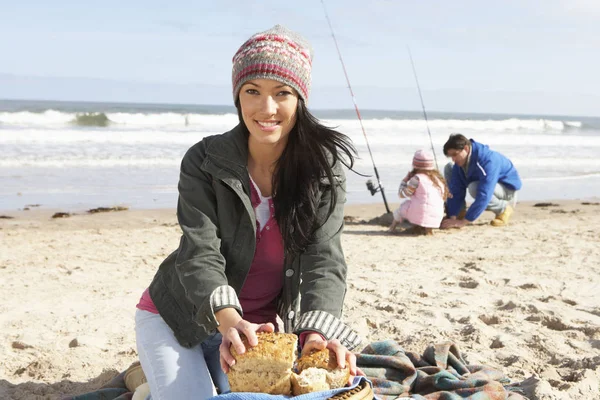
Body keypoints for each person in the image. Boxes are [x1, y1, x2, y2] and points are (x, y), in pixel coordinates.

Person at [134, 25, 362, 400]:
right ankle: (149, 378)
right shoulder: (204, 160)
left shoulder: (323, 171)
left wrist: (317, 337)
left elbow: (325, 260)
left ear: (299, 98)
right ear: (238, 95)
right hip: (179, 317)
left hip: (260, 333)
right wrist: (228, 321)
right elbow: (199, 252)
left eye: (282, 93)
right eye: (252, 91)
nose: (266, 108)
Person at [440, 133, 522, 229]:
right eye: (451, 156)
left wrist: (463, 222)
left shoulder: (488, 160)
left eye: (455, 155)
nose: (453, 159)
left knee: (474, 188)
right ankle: (459, 212)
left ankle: (503, 209)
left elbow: (485, 194)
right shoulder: (461, 161)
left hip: (507, 189)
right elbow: (455, 188)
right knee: (449, 167)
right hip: (482, 183)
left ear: (466, 149)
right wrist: (453, 216)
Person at [388, 150, 448, 234]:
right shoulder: (438, 180)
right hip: (437, 217)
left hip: (421, 214)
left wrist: (404, 181)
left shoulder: (416, 179)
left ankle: (392, 227)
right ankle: (428, 229)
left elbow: (402, 194)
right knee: (426, 204)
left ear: (415, 165)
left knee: (404, 206)